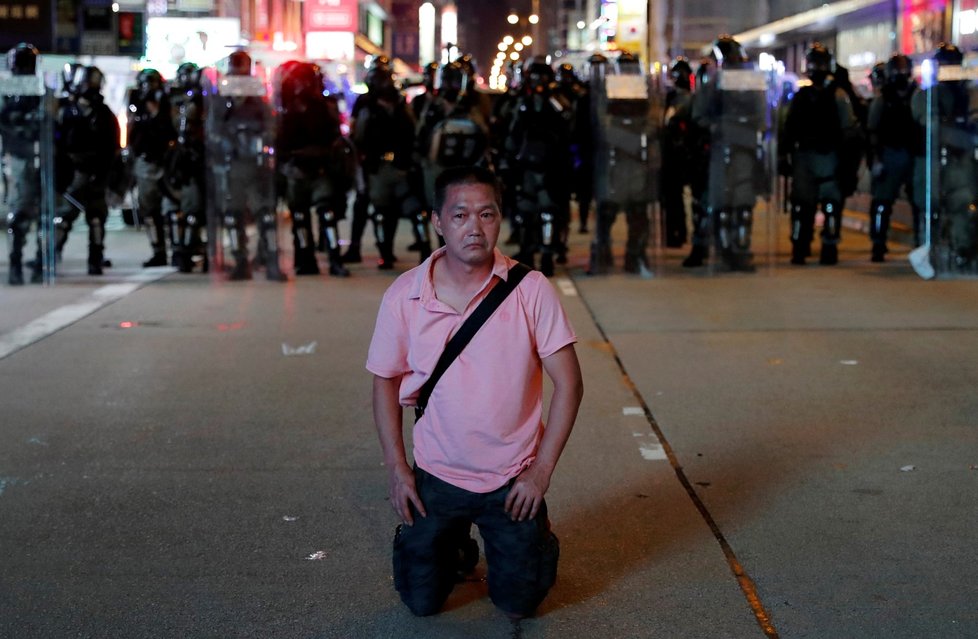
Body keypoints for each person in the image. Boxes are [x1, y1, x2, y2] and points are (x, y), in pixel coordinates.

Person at [366, 165, 583, 619]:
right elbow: (384, 380)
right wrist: (397, 468)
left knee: (519, 604)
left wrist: (540, 473)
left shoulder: (530, 290)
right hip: (436, 475)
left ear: (500, 218)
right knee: (421, 602)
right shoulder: (405, 294)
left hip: (511, 479)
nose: (474, 228)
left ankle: (527, 537)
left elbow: (570, 383)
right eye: (460, 216)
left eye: (486, 215)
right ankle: (451, 545)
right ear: (437, 221)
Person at [781, 42, 858, 266]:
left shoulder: (838, 95)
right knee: (801, 204)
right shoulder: (803, 95)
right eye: (814, 63)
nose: (817, 68)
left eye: (820, 63)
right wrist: (783, 154)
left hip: (828, 155)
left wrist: (847, 162)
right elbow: (790, 127)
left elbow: (848, 131)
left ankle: (828, 245)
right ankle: (800, 244)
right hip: (806, 155)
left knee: (830, 203)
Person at [53, 65, 120, 275]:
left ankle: (96, 258)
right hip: (73, 173)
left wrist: (107, 175)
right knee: (63, 219)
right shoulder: (66, 111)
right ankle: (51, 254)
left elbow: (112, 146)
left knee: (96, 218)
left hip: (96, 172)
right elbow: (56, 144)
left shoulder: (104, 113)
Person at [866, 53, 921, 261]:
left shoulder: (917, 95)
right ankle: (878, 243)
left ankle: (921, 241)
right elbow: (873, 130)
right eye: (896, 70)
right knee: (882, 202)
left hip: (913, 154)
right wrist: (877, 159)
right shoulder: (884, 99)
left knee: (919, 203)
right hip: (890, 154)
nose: (900, 74)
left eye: (903, 69)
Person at [2, 43, 44, 285]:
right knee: (20, 212)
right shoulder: (8, 92)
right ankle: (16, 263)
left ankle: (40, 262)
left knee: (44, 215)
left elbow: (49, 120)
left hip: (41, 157)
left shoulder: (40, 90)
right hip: (18, 156)